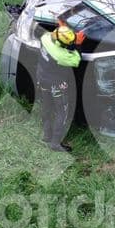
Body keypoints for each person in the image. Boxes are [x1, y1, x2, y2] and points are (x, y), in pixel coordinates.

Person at [36, 22, 84, 152]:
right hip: (56, 84)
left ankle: (47, 135)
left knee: (46, 107)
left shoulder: (45, 37)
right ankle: (55, 143)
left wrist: (64, 28)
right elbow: (76, 60)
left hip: (42, 78)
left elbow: (59, 39)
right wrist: (77, 44)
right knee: (62, 112)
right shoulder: (61, 56)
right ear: (60, 44)